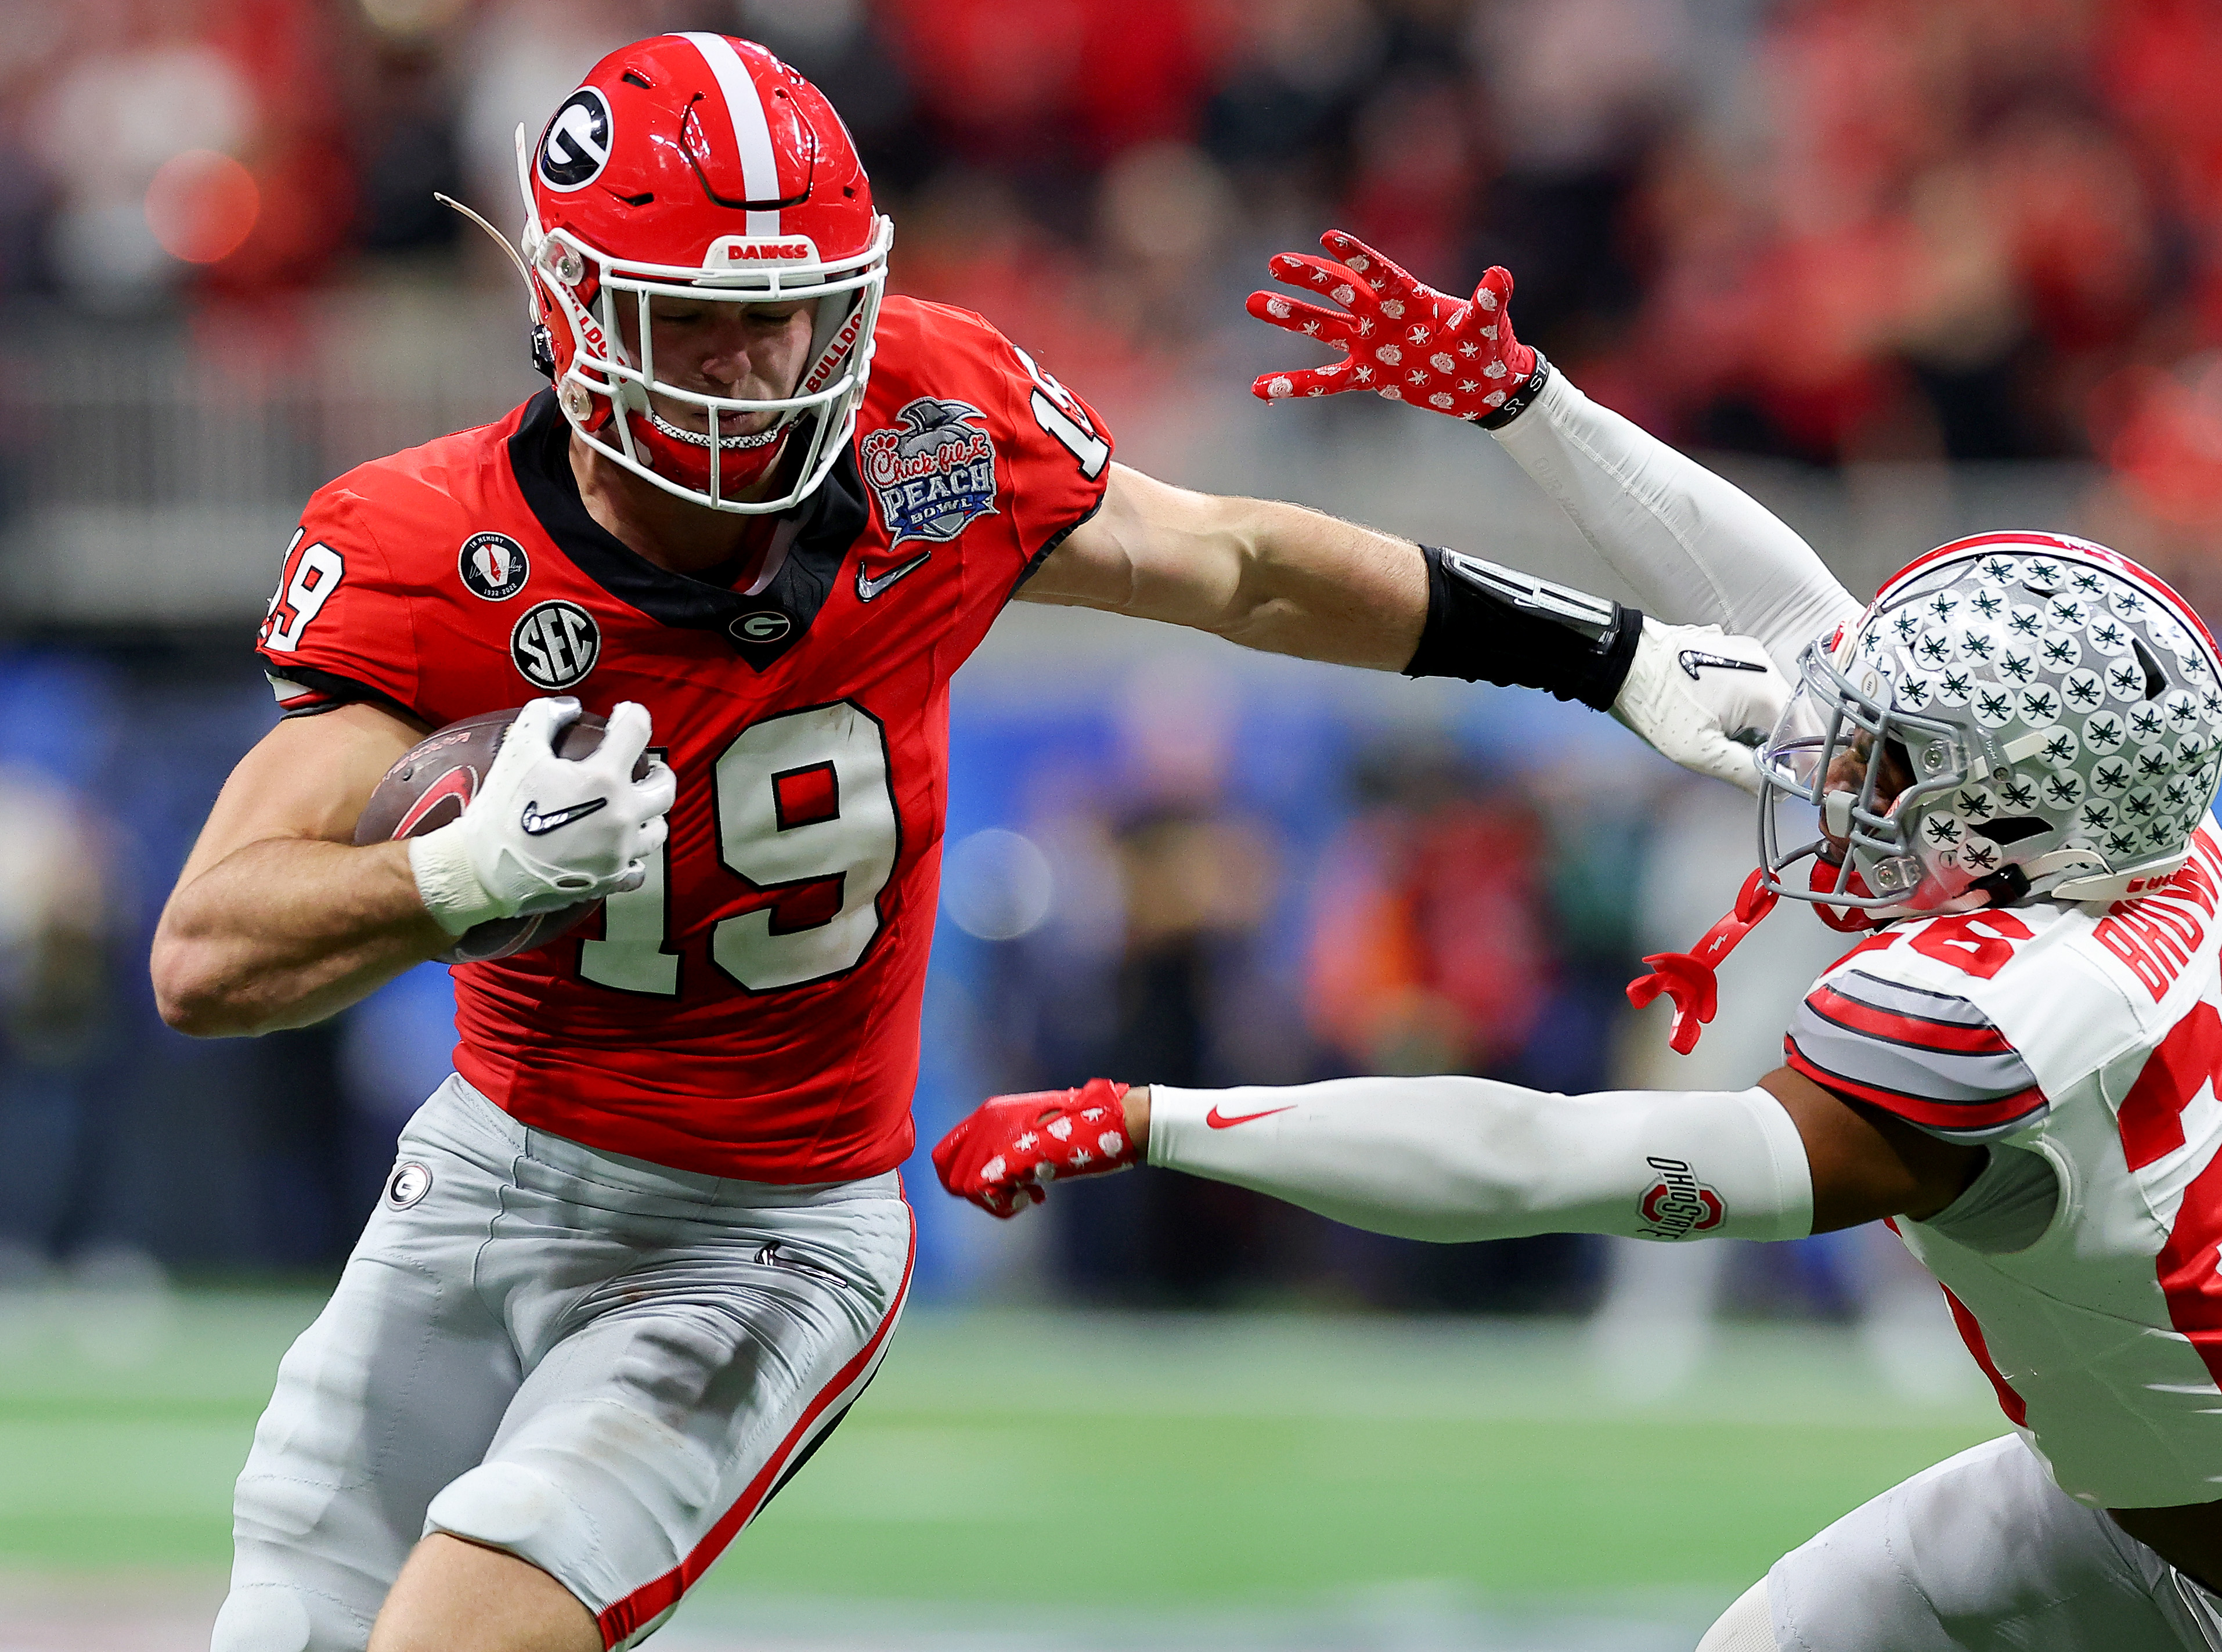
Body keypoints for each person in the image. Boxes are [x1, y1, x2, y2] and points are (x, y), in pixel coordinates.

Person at [149, 38, 1794, 1652]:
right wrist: (456, 880)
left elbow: (1237, 562)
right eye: (705, 329)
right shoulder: (437, 553)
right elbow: (206, 957)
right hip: (488, 1179)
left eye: (789, 315)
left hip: (768, 1229)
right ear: (573, 312)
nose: (762, 372)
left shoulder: (928, 428)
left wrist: (1611, 655)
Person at [934, 233, 2222, 1652]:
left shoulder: (1999, 1008)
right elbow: (1798, 609)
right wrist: (1524, 401)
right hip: (2176, 1475)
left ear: (2020, 828)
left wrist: (1169, 1122)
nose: (1844, 777)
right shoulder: (2144, 836)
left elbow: (1546, 1162)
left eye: (1899, 763)